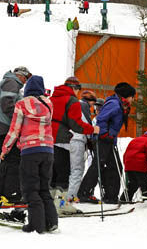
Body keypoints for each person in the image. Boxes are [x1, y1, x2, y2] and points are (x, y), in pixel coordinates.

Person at [0, 75, 58, 233]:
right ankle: (51, 222)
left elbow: (14, 130)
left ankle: (36, 225)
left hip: (30, 152)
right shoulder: (48, 104)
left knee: (30, 189)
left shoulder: (21, 104)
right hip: (48, 150)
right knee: (44, 188)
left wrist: (5, 149)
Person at [77, 82, 135, 203]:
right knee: (98, 165)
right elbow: (101, 119)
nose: (133, 99)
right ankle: (84, 192)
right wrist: (104, 134)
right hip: (104, 139)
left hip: (109, 140)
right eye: (132, 96)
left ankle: (111, 196)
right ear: (126, 95)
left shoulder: (119, 104)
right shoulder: (114, 104)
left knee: (114, 166)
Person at [49, 77, 98, 211]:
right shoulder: (71, 100)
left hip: (48, 139)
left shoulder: (52, 98)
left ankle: (49, 204)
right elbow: (76, 124)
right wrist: (92, 129)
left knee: (52, 173)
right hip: (65, 139)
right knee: (66, 173)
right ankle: (63, 204)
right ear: (74, 88)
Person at [0, 66, 31, 203]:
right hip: (6, 126)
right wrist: (20, 120)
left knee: (6, 161)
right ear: (20, 75)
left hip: (0, 126)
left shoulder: (7, 82)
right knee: (13, 161)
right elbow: (7, 105)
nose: (25, 82)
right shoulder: (11, 83)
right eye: (25, 78)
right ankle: (9, 195)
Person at [67, 90, 98, 202]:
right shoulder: (83, 105)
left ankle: (68, 194)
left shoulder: (74, 104)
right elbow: (87, 123)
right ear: (90, 101)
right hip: (78, 139)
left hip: (69, 139)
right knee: (77, 169)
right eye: (93, 103)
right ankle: (71, 196)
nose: (93, 107)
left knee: (70, 169)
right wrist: (91, 138)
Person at [123, 129, 147, 201]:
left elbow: (125, 154)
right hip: (139, 166)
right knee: (144, 183)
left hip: (128, 166)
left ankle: (124, 198)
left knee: (133, 184)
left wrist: (126, 165)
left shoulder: (134, 140)